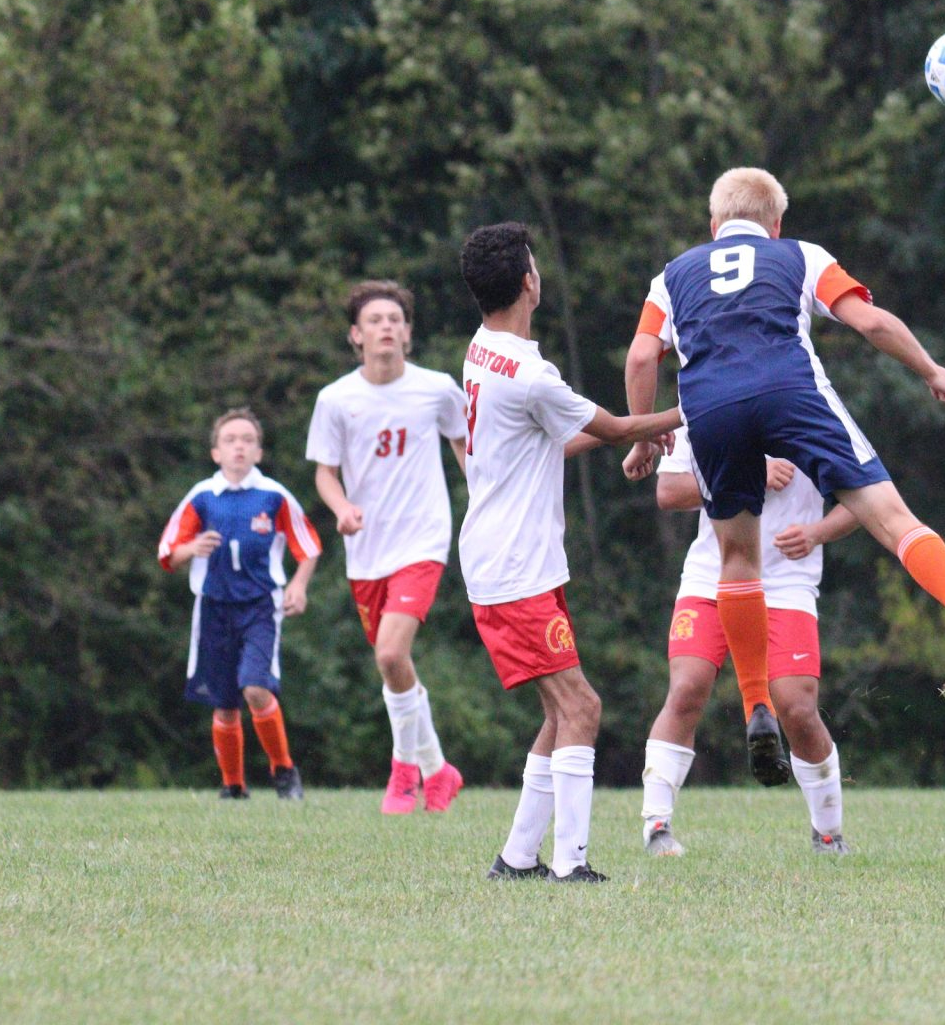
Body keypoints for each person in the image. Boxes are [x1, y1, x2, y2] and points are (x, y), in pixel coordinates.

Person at [624, 167, 945, 787]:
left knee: (737, 560)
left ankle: (755, 706)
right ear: (776, 225)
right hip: (791, 392)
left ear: (713, 224)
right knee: (896, 521)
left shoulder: (672, 275)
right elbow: (871, 323)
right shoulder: (800, 255)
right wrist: (932, 370)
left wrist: (644, 435)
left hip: (711, 405)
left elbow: (643, 356)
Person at [457, 222, 682, 884]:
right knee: (582, 706)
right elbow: (612, 427)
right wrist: (690, 410)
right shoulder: (531, 373)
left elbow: (552, 437)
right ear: (530, 281)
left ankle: (517, 858)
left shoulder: (482, 349)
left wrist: (634, 438)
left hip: (512, 557)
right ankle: (570, 865)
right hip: (514, 565)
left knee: (560, 712)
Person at [641, 426, 861, 856]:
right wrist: (747, 474)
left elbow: (866, 498)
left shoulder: (817, 410)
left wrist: (817, 532)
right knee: (686, 688)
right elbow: (669, 491)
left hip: (787, 584)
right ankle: (657, 826)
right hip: (711, 577)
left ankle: (828, 833)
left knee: (797, 707)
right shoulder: (707, 404)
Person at [308, 280, 471, 816]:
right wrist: (341, 508)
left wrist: (485, 498)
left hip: (423, 539)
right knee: (394, 668)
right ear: (356, 335)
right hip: (367, 550)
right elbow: (325, 474)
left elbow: (464, 445)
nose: (386, 327)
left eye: (394, 320)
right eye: (375, 320)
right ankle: (438, 770)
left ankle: (404, 773)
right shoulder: (336, 399)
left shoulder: (437, 389)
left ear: (407, 333)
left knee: (390, 654)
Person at [158, 408, 323, 800]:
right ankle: (233, 785)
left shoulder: (274, 496)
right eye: (230, 440)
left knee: (255, 689)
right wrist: (191, 549)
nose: (239, 447)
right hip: (213, 608)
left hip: (260, 607)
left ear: (259, 452)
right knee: (224, 703)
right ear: (216, 452)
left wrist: (298, 585)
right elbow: (168, 553)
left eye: (248, 440)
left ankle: (284, 772)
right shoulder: (201, 497)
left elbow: (309, 546)